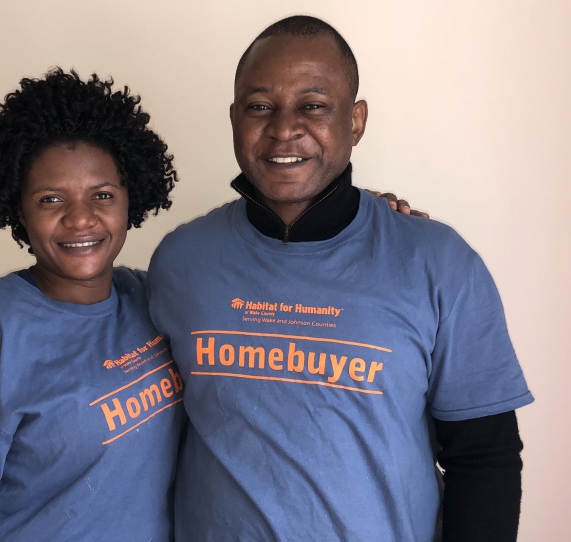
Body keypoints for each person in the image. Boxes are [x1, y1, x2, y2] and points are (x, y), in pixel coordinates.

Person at [147, 15, 533, 542]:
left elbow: (483, 457)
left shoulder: (438, 263)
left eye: (313, 105)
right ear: (234, 117)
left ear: (355, 121)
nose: (284, 128)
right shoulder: (179, 260)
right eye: (260, 106)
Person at [0, 68, 185, 541]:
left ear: (131, 198)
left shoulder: (150, 297)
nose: (80, 219)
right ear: (18, 209)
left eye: (103, 195)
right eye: (51, 199)